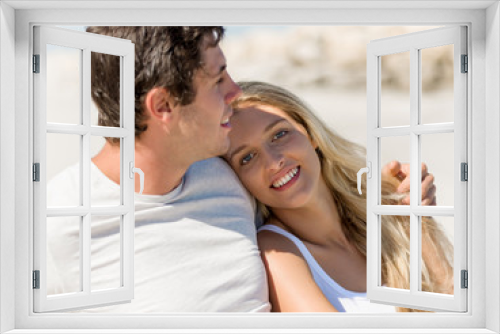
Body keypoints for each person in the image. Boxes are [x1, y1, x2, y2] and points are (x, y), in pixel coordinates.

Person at [46, 27, 270, 312]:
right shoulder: (56, 223)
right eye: (218, 80)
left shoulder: (231, 173)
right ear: (163, 105)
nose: (235, 91)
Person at [224, 81, 453, 313]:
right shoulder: (277, 252)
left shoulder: (380, 216)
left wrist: (415, 222)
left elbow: (455, 305)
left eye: (279, 134)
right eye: (247, 158)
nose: (274, 162)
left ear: (311, 134)